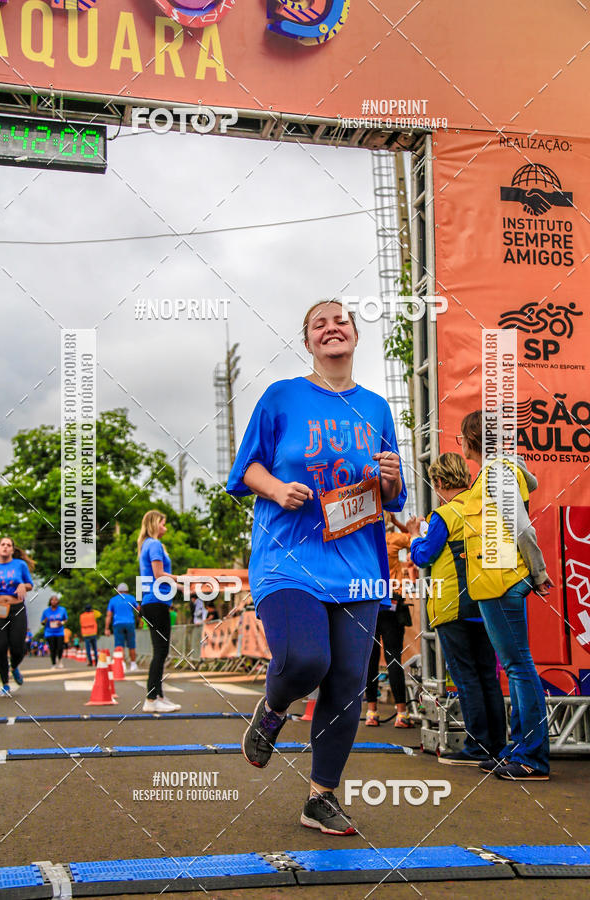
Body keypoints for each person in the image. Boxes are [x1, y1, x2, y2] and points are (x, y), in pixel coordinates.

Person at [227, 299, 406, 835]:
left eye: (341, 320)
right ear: (308, 341)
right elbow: (246, 469)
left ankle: (321, 796)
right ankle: (274, 707)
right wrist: (278, 489)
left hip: (358, 568)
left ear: (354, 335)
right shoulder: (282, 397)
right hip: (289, 559)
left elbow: (391, 496)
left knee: (349, 682)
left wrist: (393, 477)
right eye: (319, 323)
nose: (332, 327)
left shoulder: (375, 408)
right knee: (305, 659)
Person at [459, 410, 552, 780]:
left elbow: (523, 530)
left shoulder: (496, 473)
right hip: (496, 584)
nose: (459, 442)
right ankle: (520, 750)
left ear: (474, 439)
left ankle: (531, 756)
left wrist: (539, 571)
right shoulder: (493, 473)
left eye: (462, 436)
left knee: (518, 667)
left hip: (502, 583)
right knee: (515, 668)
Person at [407, 452, 506, 765]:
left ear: (438, 481)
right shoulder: (483, 508)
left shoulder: (444, 515)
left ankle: (477, 747)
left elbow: (423, 555)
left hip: (453, 606)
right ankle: (497, 746)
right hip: (487, 602)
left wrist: (413, 536)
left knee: (467, 678)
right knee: (487, 676)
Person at [364, 513, 414, 728]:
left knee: (371, 661)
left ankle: (371, 711)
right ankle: (401, 713)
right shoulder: (392, 540)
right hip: (392, 602)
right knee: (394, 660)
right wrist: (398, 523)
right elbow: (415, 539)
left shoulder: (365, 543)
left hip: (369, 603)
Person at [138, 510, 182, 712]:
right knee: (161, 652)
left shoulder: (148, 545)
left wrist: (183, 587)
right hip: (156, 601)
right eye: (163, 524)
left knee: (161, 651)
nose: (165, 528)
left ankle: (159, 695)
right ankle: (151, 699)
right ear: (155, 524)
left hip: (153, 601)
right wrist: (183, 580)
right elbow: (159, 574)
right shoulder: (154, 544)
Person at [0, 537, 34, 695]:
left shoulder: (20, 565)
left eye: (9, 545)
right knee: (0, 647)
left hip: (17, 608)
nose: (5, 547)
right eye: (3, 544)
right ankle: (5, 684)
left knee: (19, 646)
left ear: (12, 550)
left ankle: (14, 667)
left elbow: (30, 584)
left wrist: (23, 585)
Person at [105, 583, 138, 672]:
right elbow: (139, 609)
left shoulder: (113, 600)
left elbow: (108, 615)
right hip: (130, 623)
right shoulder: (131, 598)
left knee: (120, 645)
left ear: (118, 591)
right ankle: (133, 664)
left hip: (118, 624)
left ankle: (122, 664)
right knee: (132, 645)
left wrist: (107, 628)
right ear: (127, 591)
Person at [41, 595, 68, 669]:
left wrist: (61, 623)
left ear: (58, 601)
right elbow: (42, 622)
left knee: (60, 647)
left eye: (56, 600)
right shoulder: (46, 611)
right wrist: (44, 621)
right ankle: (53, 663)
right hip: (49, 632)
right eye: (52, 600)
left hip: (59, 632)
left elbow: (66, 619)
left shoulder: (62, 610)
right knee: (52, 648)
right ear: (50, 601)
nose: (54, 601)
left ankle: (60, 660)